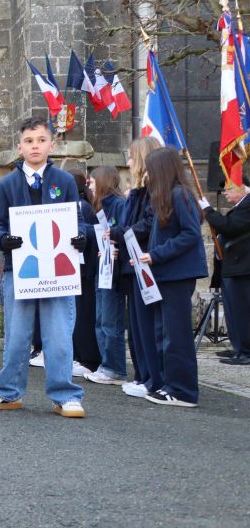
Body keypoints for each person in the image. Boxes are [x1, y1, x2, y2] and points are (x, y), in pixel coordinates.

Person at [0, 118, 88, 418]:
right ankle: (8, 391)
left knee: (59, 333)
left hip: (58, 271)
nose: (35, 145)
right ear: (20, 146)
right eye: (29, 141)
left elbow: (78, 221)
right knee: (17, 334)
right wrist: (3, 240)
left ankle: (65, 394)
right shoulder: (8, 183)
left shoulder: (64, 182)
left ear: (52, 145)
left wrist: (81, 237)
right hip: (20, 270)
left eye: (41, 140)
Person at [138, 146, 208, 406]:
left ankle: (183, 391)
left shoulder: (180, 195)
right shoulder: (168, 197)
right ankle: (170, 384)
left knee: (176, 334)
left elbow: (190, 235)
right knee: (164, 331)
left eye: (150, 170)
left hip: (178, 274)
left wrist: (156, 255)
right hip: (166, 274)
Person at [109, 137, 159, 398]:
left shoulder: (152, 190)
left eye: (131, 157)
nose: (127, 162)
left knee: (145, 326)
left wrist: (118, 233)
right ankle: (142, 375)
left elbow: (147, 225)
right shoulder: (138, 191)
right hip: (132, 263)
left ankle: (150, 378)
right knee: (137, 327)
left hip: (144, 264)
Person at [201, 173, 250, 364]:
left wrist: (208, 211)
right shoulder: (240, 207)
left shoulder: (247, 206)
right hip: (234, 267)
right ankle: (238, 346)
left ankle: (245, 351)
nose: (225, 193)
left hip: (242, 267)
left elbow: (230, 227)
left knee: (241, 312)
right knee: (232, 311)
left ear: (243, 188)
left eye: (230, 188)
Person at [86, 165, 128, 384]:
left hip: (113, 270)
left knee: (111, 322)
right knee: (101, 319)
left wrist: (116, 245)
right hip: (103, 268)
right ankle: (106, 365)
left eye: (92, 182)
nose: (89, 187)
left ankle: (116, 368)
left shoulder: (119, 205)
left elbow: (125, 232)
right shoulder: (100, 208)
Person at [65, 162, 101, 377]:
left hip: (84, 270)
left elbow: (89, 234)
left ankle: (88, 358)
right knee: (76, 314)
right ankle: (79, 356)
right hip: (76, 269)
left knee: (84, 315)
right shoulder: (79, 205)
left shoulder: (82, 206)